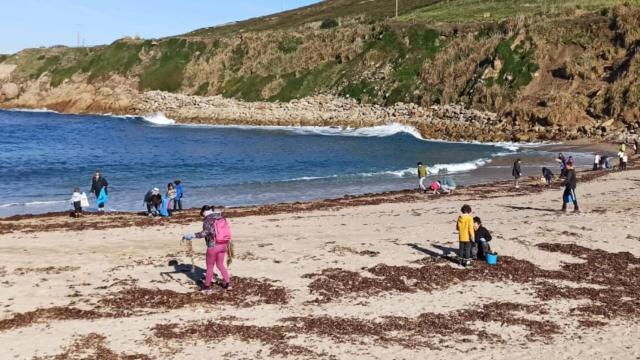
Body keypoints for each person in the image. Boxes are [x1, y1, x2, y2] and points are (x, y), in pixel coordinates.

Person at [183, 205, 232, 294]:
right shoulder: (220, 216)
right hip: (224, 244)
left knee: (210, 267)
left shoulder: (207, 219)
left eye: (202, 214)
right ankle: (228, 284)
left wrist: (192, 235)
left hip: (213, 246)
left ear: (204, 212)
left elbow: (205, 233)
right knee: (220, 264)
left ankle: (207, 287)